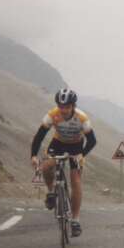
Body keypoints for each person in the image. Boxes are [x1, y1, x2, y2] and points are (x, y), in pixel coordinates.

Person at [31, 88, 97, 237]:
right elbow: (39, 136)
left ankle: (75, 220)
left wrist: (82, 154)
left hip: (76, 146)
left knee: (76, 180)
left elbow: (92, 141)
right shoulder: (52, 115)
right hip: (58, 143)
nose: (64, 110)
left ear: (73, 106)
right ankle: (50, 193)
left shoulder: (82, 118)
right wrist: (34, 155)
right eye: (61, 107)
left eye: (67, 107)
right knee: (46, 167)